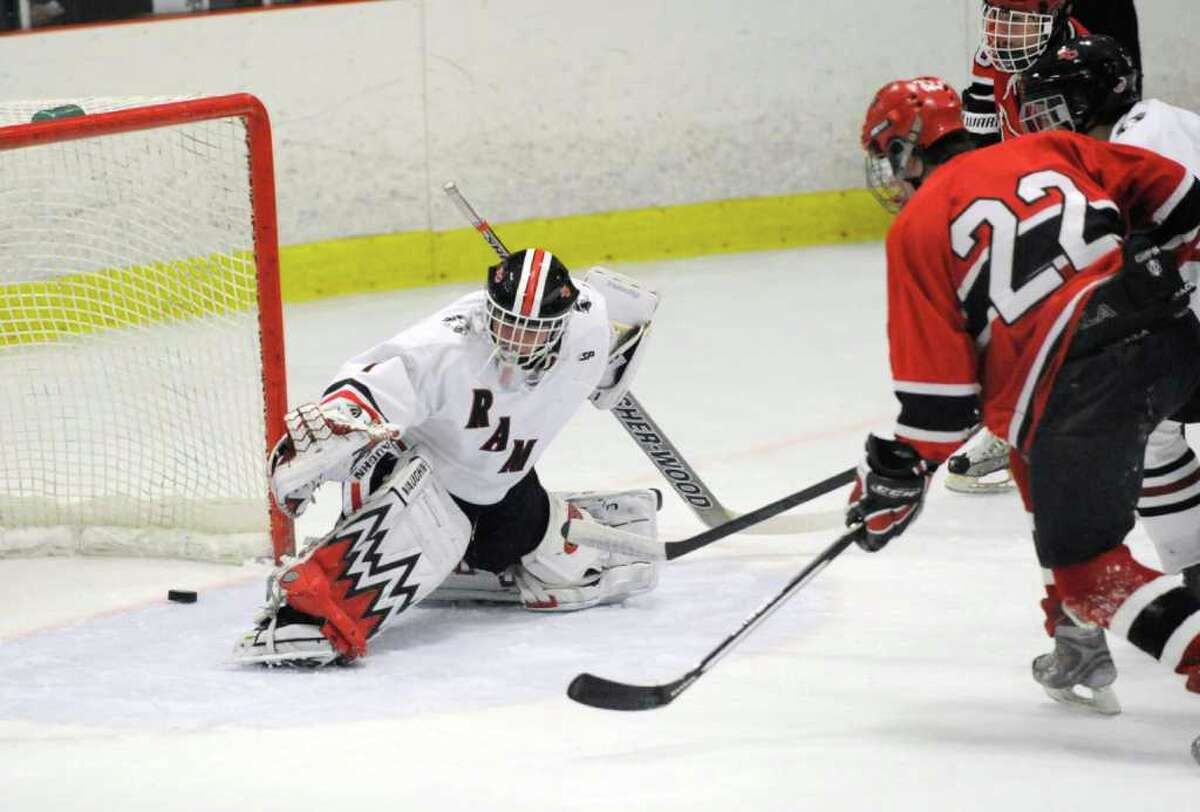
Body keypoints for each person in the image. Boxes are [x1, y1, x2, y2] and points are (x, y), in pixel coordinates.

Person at [851, 77, 1200, 711]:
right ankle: (1076, 641)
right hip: (1173, 339)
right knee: (1041, 453)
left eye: (891, 158)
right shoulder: (1055, 148)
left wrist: (892, 479)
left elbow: (940, 410)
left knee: (1090, 574)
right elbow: (1181, 195)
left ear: (909, 152)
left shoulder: (917, 228)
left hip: (1086, 386)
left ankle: (1087, 612)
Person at [234, 248, 663, 666]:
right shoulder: (444, 348)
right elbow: (372, 386)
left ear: (562, 322)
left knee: (567, 575)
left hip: (500, 486)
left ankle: (461, 561)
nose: (515, 338)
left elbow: (626, 311)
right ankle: (306, 613)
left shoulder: (588, 325)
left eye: (532, 329)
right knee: (397, 548)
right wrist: (327, 435)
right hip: (418, 482)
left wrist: (612, 367)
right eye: (506, 321)